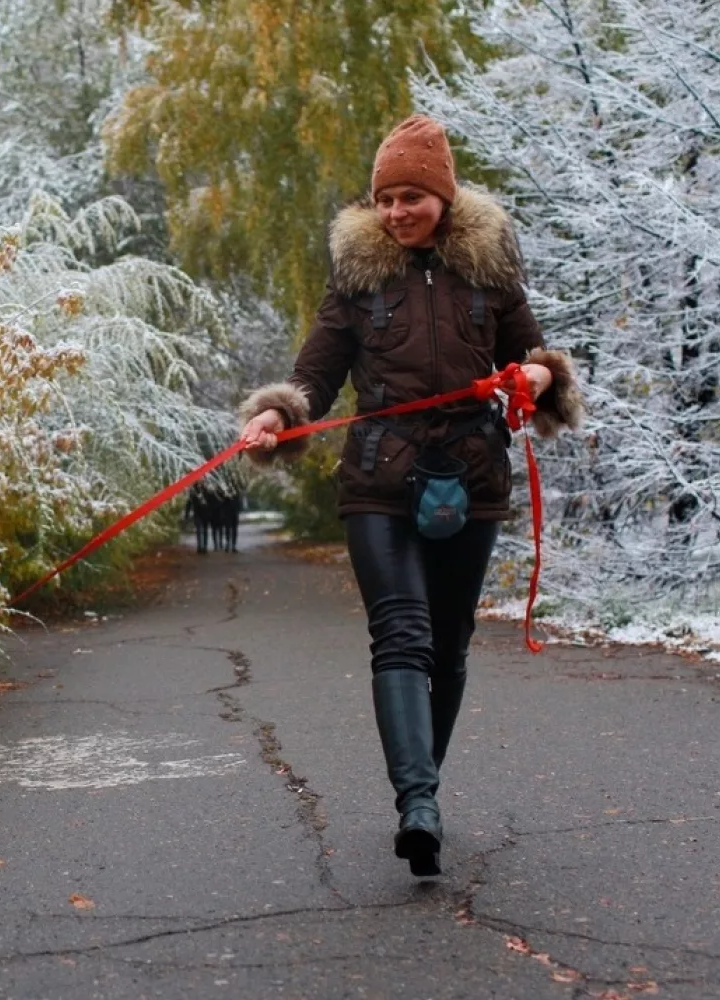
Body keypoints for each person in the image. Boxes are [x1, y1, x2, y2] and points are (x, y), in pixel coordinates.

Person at [237, 116, 583, 877]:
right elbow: (317, 374)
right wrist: (277, 414)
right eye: (386, 198)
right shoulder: (357, 276)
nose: (397, 212)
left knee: (450, 644)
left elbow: (536, 357)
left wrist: (537, 377)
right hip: (378, 479)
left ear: (443, 196)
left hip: (473, 473)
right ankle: (417, 803)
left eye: (412, 197)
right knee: (401, 633)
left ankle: (424, 790)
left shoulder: (489, 270)